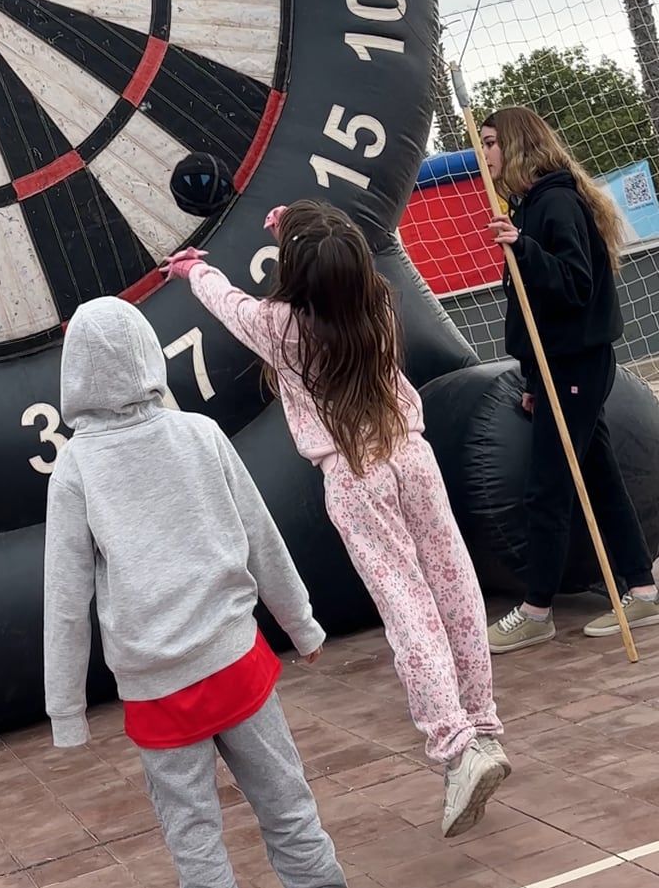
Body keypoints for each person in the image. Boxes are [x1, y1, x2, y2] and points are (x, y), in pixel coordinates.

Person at [44, 295, 369, 888]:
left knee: (195, 840)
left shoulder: (75, 470)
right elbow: (261, 535)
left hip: (158, 690)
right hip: (235, 661)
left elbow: (66, 602)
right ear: (150, 356)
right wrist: (304, 624)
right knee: (288, 804)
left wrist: (65, 711)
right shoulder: (199, 434)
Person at [168, 202, 509, 839]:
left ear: (296, 273)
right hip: (412, 454)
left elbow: (228, 301)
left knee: (408, 604)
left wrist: (192, 270)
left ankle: (456, 747)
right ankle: (483, 724)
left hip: (356, 477)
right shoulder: (377, 302)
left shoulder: (281, 327)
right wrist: (295, 226)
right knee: (455, 584)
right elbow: (338, 253)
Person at [481, 106, 659, 651]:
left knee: (548, 489)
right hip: (559, 366)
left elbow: (574, 285)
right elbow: (536, 313)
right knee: (599, 479)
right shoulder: (532, 204)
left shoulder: (554, 202)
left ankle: (537, 610)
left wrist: (522, 246)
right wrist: (535, 378)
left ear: (516, 146)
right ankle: (646, 592)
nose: (485, 154)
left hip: (578, 365)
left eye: (491, 143)